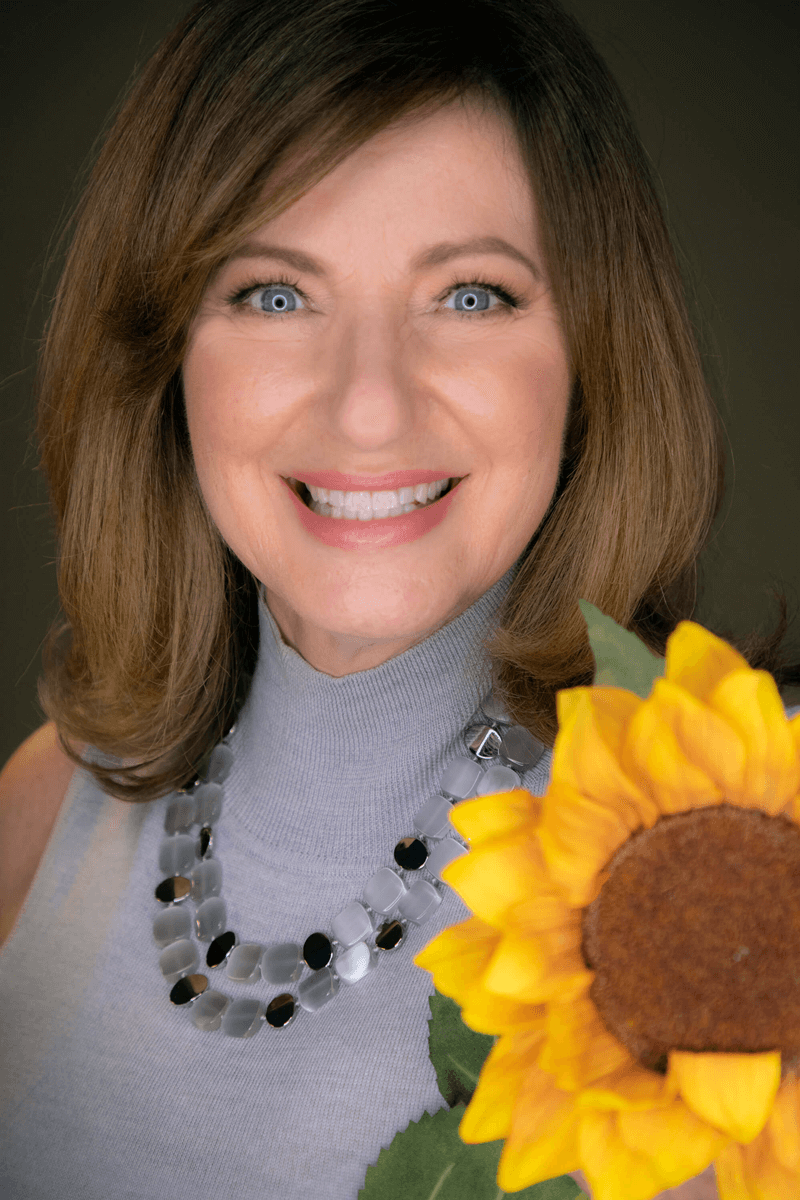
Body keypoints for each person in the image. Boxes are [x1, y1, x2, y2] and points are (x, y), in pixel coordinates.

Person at [1, 1, 797, 1197]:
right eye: (274, 293)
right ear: (164, 359)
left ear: (592, 355)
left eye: (469, 295)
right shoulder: (44, 803)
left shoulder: (755, 862)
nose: (367, 406)